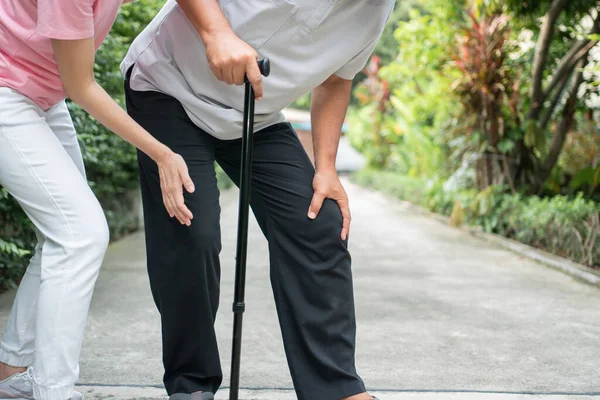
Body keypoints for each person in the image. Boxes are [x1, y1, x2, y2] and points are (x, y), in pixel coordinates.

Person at [122, 0, 395, 399]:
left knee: (318, 221)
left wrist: (327, 167)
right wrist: (215, 32)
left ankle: (335, 389)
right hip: (169, 86)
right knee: (191, 227)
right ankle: (191, 385)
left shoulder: (376, 10)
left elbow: (337, 78)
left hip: (255, 115)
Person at [0, 1, 195, 399]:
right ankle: (52, 391)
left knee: (63, 235)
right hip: (8, 90)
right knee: (79, 234)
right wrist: (163, 153)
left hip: (42, 94)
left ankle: (10, 369)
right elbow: (81, 85)